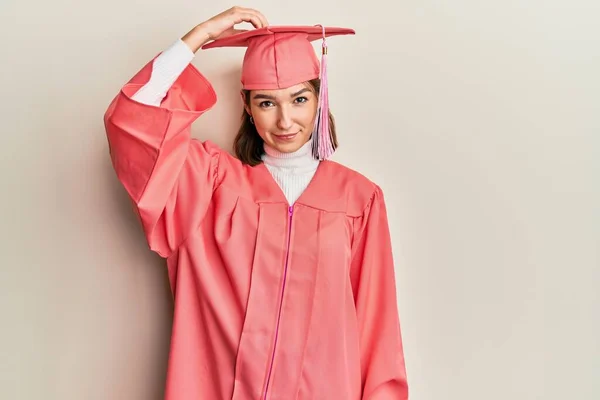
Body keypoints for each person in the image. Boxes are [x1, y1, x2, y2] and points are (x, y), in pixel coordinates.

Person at [103, 6, 408, 400]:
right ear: (247, 106)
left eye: (299, 99)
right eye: (266, 103)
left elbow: (377, 333)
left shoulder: (359, 199)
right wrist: (198, 37)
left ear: (320, 99)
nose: (285, 121)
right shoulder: (208, 185)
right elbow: (132, 125)